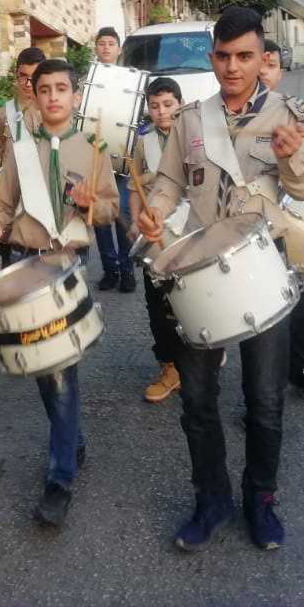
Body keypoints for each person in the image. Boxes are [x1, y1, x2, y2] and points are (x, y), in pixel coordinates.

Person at [138, 6, 304, 552]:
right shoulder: (191, 120)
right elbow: (168, 182)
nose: (232, 67)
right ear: (212, 57)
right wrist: (153, 213)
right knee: (197, 398)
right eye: (223, 56)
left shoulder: (289, 114)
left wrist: (292, 158)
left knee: (264, 398)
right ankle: (210, 498)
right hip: (199, 267)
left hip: (261, 262)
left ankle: (260, 499)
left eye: (244, 56)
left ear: (262, 58)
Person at [0, 58, 118, 530]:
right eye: (45, 89)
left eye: (62, 88)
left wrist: (93, 204)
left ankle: (60, 479)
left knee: (59, 367)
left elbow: (111, 208)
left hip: (67, 263)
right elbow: (2, 202)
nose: (54, 96)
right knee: (42, 366)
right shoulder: (20, 149)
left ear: (75, 97)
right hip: (24, 260)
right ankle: (71, 437)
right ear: (34, 98)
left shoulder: (95, 147)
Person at [260, 42, 304, 406]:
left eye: (270, 65)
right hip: (255, 224)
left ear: (279, 72)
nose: (262, 71)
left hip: (297, 217)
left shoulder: (297, 112)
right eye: (258, 63)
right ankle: (262, 394)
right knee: (262, 313)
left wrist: (295, 153)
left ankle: (300, 370)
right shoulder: (227, 114)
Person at [127, 77, 184, 402]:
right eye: (155, 106)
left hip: (189, 230)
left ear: (179, 103)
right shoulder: (143, 141)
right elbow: (135, 187)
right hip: (154, 232)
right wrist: (135, 220)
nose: (161, 112)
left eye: (168, 104)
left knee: (192, 296)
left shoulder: (194, 134)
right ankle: (170, 367)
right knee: (158, 302)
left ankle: (201, 353)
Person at [0, 46, 46, 268]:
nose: (28, 83)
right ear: (16, 76)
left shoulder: (54, 112)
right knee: (11, 266)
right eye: (23, 76)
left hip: (45, 202)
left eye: (34, 77)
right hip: (11, 201)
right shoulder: (2, 115)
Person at [89, 26, 135, 293]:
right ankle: (110, 270)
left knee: (123, 216)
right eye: (101, 43)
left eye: (111, 43)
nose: (106, 47)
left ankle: (127, 270)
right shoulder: (89, 80)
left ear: (119, 49)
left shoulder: (131, 80)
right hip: (96, 160)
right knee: (101, 218)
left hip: (123, 161)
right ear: (96, 48)